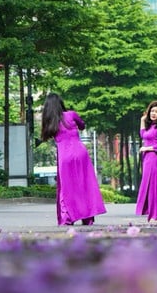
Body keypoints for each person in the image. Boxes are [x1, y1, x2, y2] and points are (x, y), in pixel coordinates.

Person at [40, 93, 106, 226]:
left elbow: (45, 137)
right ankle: (87, 218)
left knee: (67, 187)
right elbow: (82, 125)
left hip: (65, 156)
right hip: (80, 153)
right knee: (84, 184)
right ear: (61, 103)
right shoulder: (71, 114)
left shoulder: (49, 121)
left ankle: (67, 218)